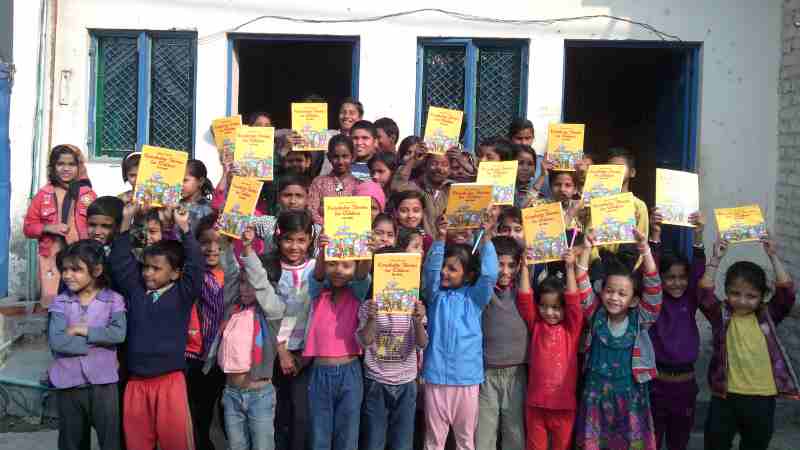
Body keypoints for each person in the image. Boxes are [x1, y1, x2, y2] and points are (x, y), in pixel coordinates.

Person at [109, 206, 202, 450]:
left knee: (176, 443)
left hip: (170, 383)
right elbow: (120, 262)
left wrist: (184, 229)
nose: (148, 273)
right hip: (136, 383)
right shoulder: (136, 291)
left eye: (156, 268)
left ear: (175, 274)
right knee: (137, 444)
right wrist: (126, 220)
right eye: (146, 267)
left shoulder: (183, 293)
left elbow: (196, 266)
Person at [699, 234, 798, 450]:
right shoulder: (721, 315)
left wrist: (773, 256)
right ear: (725, 292)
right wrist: (716, 259)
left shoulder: (768, 315)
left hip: (761, 397)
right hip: (725, 395)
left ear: (762, 296)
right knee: (715, 443)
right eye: (735, 293)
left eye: (751, 296)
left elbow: (787, 293)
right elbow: (703, 293)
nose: (742, 301)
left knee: (756, 443)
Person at [574, 229, 662, 450]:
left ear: (633, 300)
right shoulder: (595, 314)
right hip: (595, 397)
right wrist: (586, 248)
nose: (614, 297)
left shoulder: (639, 320)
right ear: (601, 291)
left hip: (630, 399)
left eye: (622, 294)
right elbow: (581, 280)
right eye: (610, 291)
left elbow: (654, 288)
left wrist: (646, 250)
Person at [422, 214, 499, 450]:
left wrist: (486, 238)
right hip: (435, 378)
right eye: (445, 266)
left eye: (452, 269)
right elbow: (431, 273)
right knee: (434, 442)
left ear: (468, 276)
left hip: (466, 380)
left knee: (465, 441)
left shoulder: (475, 299)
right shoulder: (435, 297)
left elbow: (489, 275)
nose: (445, 271)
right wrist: (439, 239)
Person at [205, 227, 285, 450]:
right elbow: (231, 273)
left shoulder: (271, 312)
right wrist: (227, 240)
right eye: (243, 283)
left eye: (250, 283)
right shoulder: (234, 307)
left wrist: (248, 248)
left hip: (259, 396)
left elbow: (260, 282)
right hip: (231, 394)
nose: (245, 288)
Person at [48, 240, 126, 450]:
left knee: (110, 441)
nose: (67, 275)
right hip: (68, 381)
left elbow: (118, 334)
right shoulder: (60, 302)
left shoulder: (113, 300)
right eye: (64, 269)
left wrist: (84, 331)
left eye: (76, 269)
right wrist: (98, 343)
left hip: (103, 383)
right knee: (71, 442)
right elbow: (57, 341)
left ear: (97, 270)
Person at [304, 231, 373, 450]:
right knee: (319, 435)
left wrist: (365, 251)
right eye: (333, 264)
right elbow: (317, 275)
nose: (338, 270)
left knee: (348, 436)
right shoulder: (318, 291)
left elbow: (362, 276)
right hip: (320, 373)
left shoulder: (357, 292)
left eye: (346, 265)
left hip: (350, 372)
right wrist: (323, 250)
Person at [358, 246, 428, 450]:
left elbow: (422, 343)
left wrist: (417, 320)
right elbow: (365, 341)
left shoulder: (414, 306)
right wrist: (371, 318)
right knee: (374, 441)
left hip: (406, 383)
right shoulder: (368, 306)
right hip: (376, 381)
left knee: (403, 443)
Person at [258, 211, 317, 450]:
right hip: (275, 353)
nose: (294, 246)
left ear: (310, 240)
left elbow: (319, 315)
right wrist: (281, 351)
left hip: (305, 355)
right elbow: (266, 314)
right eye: (288, 240)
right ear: (278, 238)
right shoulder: (270, 269)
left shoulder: (316, 269)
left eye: (301, 240)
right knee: (277, 415)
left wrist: (305, 356)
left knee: (301, 417)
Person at [647, 210, 706, 450]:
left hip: (684, 385)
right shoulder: (654, 300)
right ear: (660, 279)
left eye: (682, 277)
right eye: (670, 277)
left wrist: (698, 236)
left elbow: (699, 273)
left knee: (679, 441)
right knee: (652, 440)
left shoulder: (690, 299)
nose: (677, 282)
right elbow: (649, 270)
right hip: (656, 384)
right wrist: (655, 235)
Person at [517, 251, 585, 450]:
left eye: (556, 307)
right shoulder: (536, 325)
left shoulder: (571, 330)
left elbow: (573, 301)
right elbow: (524, 298)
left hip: (563, 407)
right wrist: (524, 267)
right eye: (544, 306)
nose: (549, 312)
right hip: (535, 405)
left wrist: (570, 268)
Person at [24, 144, 96, 307]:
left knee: (82, 299)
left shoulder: (87, 194)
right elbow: (28, 227)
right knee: (55, 301)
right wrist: (49, 228)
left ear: (79, 167)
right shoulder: (43, 195)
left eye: (71, 164)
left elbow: (99, 221)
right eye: (60, 164)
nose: (66, 169)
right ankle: (55, 329)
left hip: (81, 254)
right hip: (52, 257)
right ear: (52, 167)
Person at [475, 236, 528, 450]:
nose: (505, 271)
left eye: (511, 265)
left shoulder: (523, 288)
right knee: (484, 434)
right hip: (486, 373)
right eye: (499, 264)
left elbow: (537, 251)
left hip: (516, 373)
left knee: (514, 433)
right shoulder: (484, 290)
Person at [185, 214, 226, 450]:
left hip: (228, 357)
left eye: (219, 244)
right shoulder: (193, 275)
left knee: (225, 410)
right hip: (196, 355)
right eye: (205, 242)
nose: (212, 249)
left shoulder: (236, 275)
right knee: (199, 412)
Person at [391, 151, 451, 237]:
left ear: (450, 169)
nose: (439, 168)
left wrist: (463, 162)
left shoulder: (453, 190)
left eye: (445, 165)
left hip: (446, 246)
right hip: (419, 244)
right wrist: (413, 160)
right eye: (434, 163)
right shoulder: (416, 187)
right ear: (425, 166)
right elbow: (396, 187)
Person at [308, 135, 360, 225]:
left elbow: (361, 213)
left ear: (353, 157)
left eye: (345, 156)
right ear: (328, 157)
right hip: (324, 234)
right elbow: (312, 211)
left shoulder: (359, 185)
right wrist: (330, 227)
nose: (340, 161)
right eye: (336, 156)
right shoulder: (319, 182)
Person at [181, 159, 216, 234]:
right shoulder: (174, 204)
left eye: (185, 180)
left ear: (200, 181)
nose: (180, 184)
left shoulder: (207, 210)